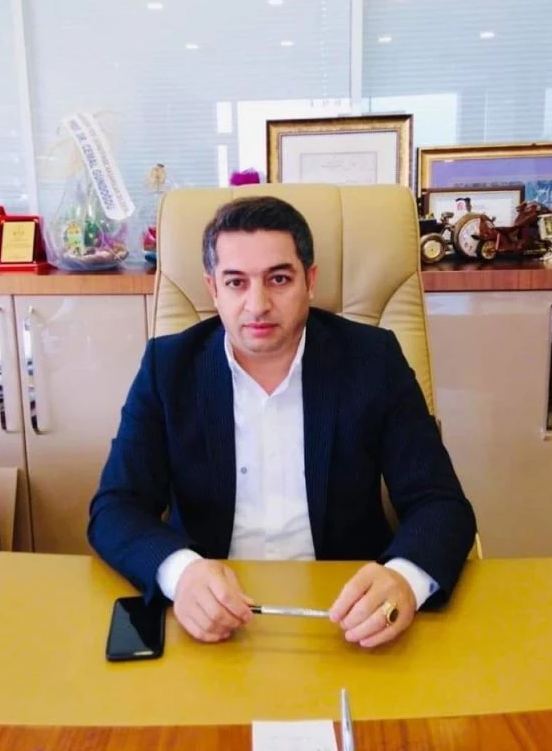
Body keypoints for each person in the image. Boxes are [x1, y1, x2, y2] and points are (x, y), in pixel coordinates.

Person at [88, 195, 476, 648]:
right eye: (236, 282)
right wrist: (181, 573)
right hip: (212, 617)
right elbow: (116, 507)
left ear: (310, 281)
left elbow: (440, 503)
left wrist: (405, 579)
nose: (257, 305)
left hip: (346, 616)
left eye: (278, 279)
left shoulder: (373, 361)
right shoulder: (168, 368)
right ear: (213, 289)